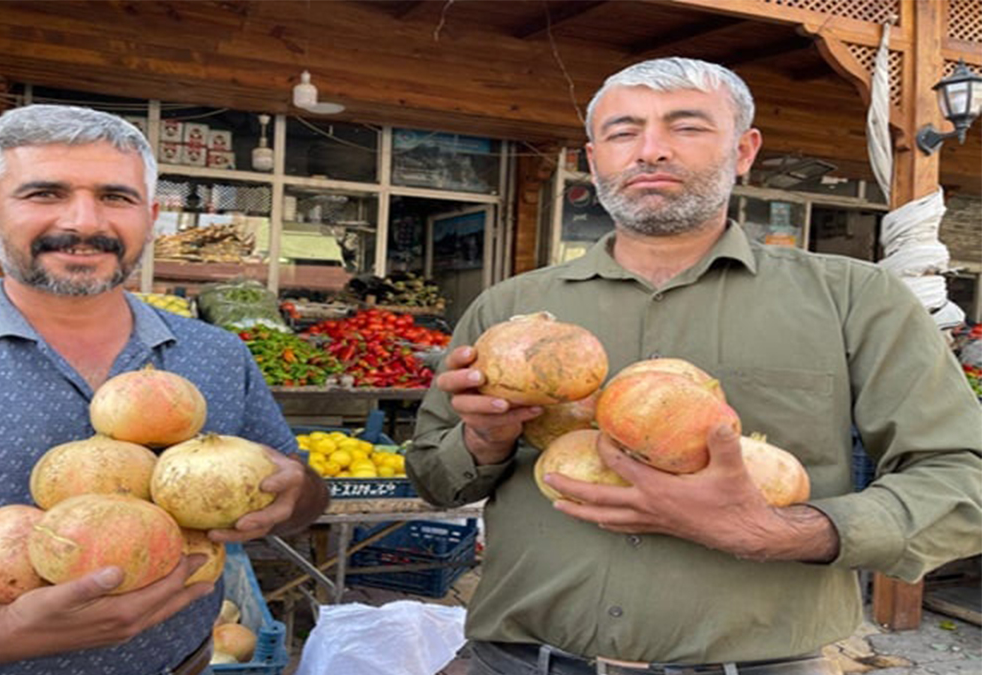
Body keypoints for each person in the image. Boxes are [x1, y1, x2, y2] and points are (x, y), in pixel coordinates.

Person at [407, 57, 982, 675]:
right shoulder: (511, 313)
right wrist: (483, 441)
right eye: (624, 132)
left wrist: (780, 531)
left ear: (743, 150)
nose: (650, 151)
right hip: (516, 662)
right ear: (594, 157)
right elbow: (433, 480)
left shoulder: (855, 300)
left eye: (686, 127)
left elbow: (960, 479)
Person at [0, 104, 329, 675]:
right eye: (44, 193)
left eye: (116, 197)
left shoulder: (215, 354)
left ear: (151, 215)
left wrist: (298, 494)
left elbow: (299, 500)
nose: (84, 221)